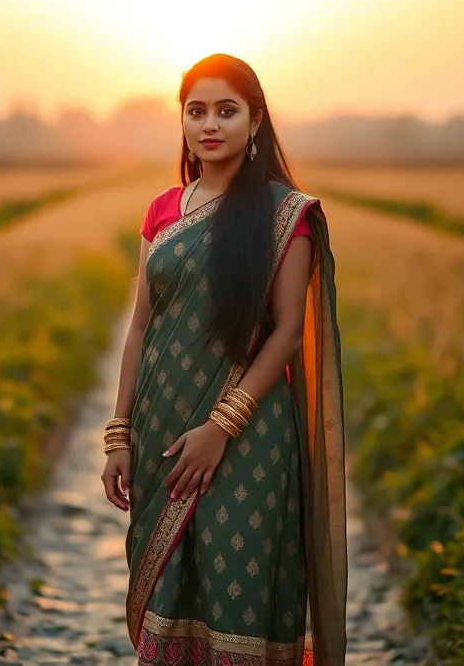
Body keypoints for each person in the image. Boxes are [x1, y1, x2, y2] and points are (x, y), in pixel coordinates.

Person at [100, 53, 347, 666]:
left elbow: (286, 334)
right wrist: (119, 434)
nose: (210, 124)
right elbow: (141, 325)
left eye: (227, 111)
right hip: (160, 432)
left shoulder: (286, 214)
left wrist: (219, 428)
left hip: (249, 434)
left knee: (236, 593)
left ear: (255, 121)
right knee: (168, 592)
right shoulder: (163, 210)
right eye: (196, 111)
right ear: (182, 121)